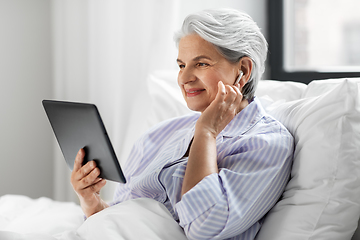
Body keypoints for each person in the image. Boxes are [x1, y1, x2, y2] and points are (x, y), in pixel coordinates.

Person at [71, 8, 294, 239]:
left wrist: (206, 133)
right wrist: (92, 203)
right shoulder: (159, 135)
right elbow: (120, 216)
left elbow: (203, 227)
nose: (184, 78)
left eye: (202, 64)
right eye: (181, 65)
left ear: (243, 70)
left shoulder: (267, 144)